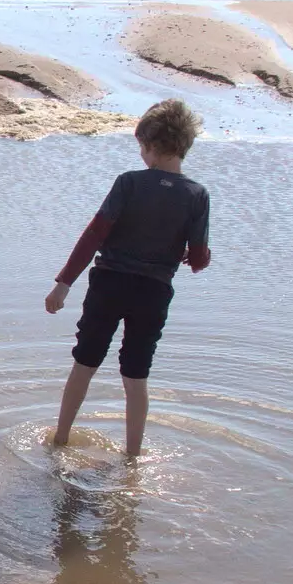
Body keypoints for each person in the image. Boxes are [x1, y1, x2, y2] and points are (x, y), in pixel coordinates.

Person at [44, 99, 211, 457]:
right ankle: (132, 456)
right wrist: (190, 255)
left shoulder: (129, 184)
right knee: (136, 375)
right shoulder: (197, 195)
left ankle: (59, 439)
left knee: (85, 363)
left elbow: (94, 235)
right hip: (153, 292)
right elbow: (198, 259)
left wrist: (63, 283)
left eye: (141, 148)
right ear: (184, 145)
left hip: (109, 284)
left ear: (150, 145)